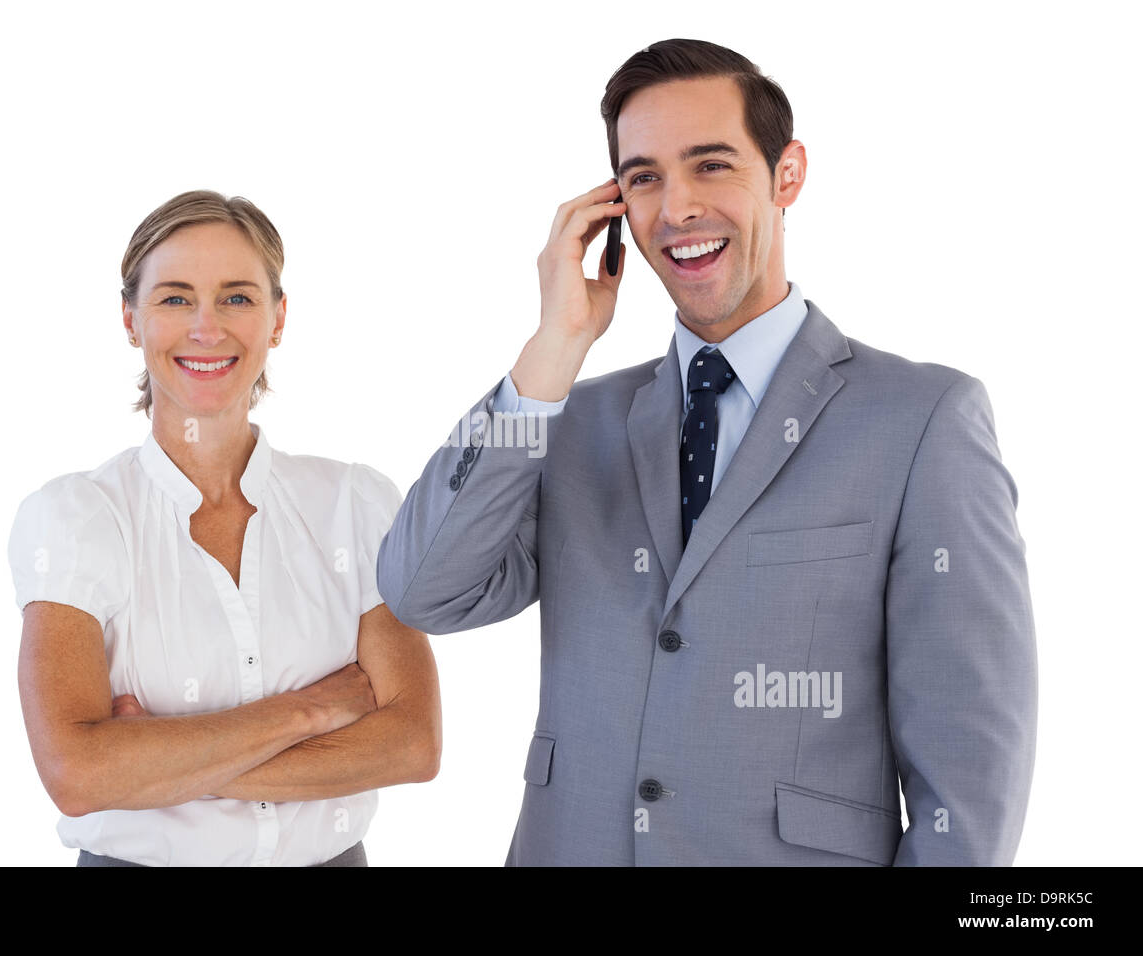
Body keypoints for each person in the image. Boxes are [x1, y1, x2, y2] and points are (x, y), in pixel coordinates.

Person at [376, 39, 1036, 866]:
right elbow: (424, 589)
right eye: (644, 177)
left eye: (711, 165)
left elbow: (971, 760)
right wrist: (552, 349)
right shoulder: (568, 419)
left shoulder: (922, 419)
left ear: (786, 174)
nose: (676, 208)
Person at [7, 189, 440, 867]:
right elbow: (76, 774)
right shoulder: (78, 517)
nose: (207, 328)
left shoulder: (355, 505)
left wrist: (156, 764)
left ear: (278, 318)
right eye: (175, 298)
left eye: (237, 297)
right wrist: (308, 713)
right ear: (130, 319)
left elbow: (412, 745)